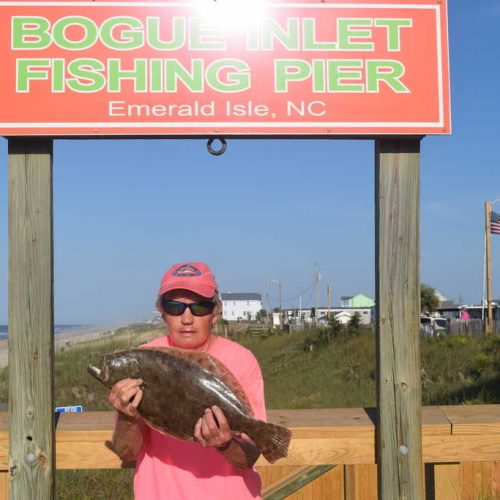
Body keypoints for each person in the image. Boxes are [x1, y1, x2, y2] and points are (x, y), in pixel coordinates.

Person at [107, 262, 266, 499]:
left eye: (199, 307)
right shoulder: (142, 361)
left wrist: (225, 444)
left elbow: (250, 455)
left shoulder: (242, 361)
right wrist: (128, 418)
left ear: (215, 312)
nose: (187, 318)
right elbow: (127, 452)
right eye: (175, 307)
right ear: (161, 311)